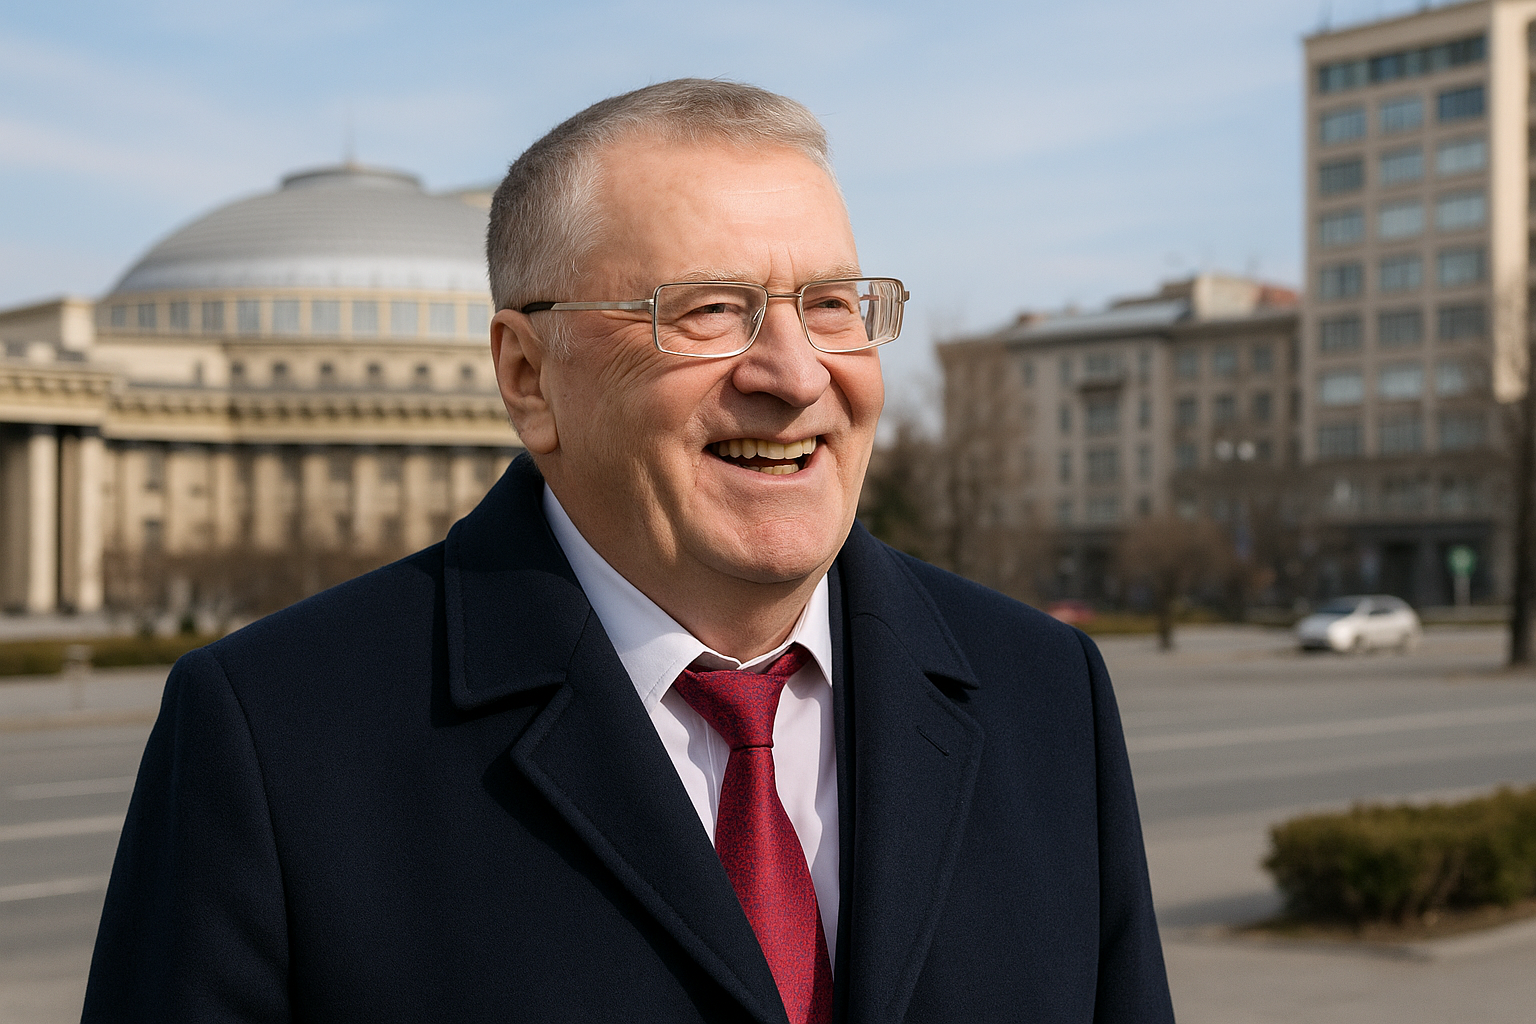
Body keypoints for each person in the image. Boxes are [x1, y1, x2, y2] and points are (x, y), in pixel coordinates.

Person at [84, 79, 1174, 1024]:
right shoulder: (277, 736)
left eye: (833, 305)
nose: (797, 374)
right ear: (527, 376)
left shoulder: (1046, 694)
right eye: (708, 312)